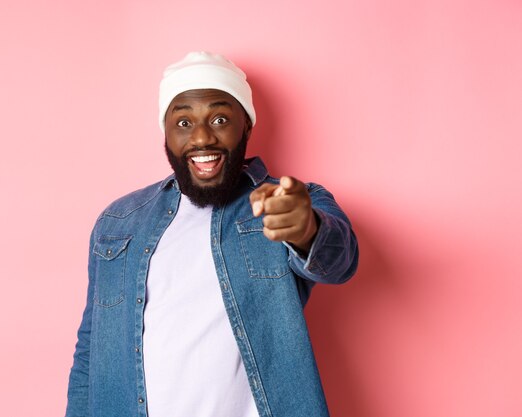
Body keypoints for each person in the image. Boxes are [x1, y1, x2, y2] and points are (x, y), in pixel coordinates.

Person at [65, 51, 359, 417]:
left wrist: (307, 230)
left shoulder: (290, 202)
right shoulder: (119, 221)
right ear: (166, 132)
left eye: (219, 119)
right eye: (183, 122)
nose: (202, 137)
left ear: (246, 126)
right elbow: (92, 350)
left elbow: (339, 261)